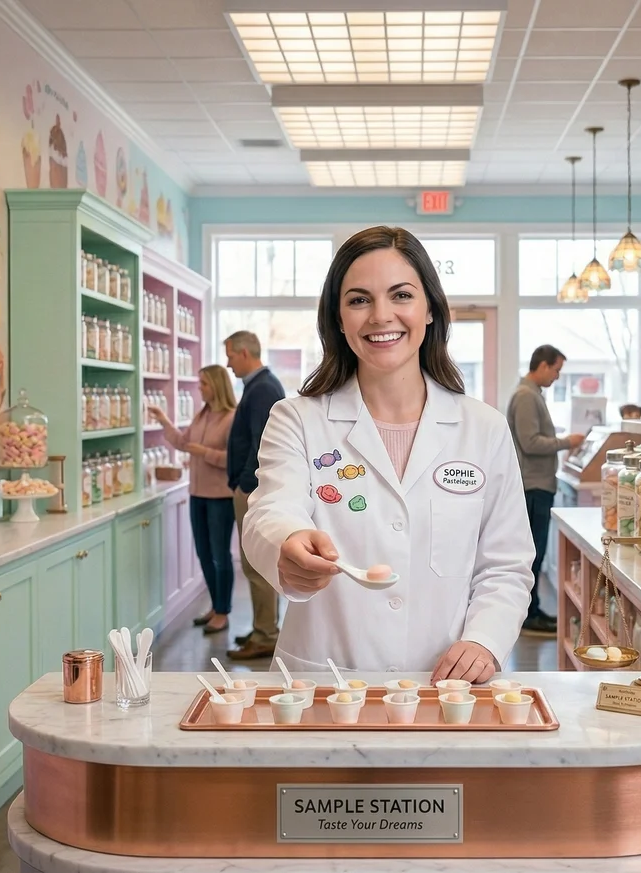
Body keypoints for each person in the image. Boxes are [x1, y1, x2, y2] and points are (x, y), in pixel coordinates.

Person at [243, 226, 533, 682]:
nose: (381, 316)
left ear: (431, 310)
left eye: (401, 295)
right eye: (359, 300)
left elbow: (506, 564)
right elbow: (271, 510)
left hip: (446, 687)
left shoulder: (484, 429)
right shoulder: (297, 419)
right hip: (323, 683)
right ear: (338, 319)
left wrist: (485, 640)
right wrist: (288, 546)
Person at [148, 365, 237, 634]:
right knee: (204, 554)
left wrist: (204, 452)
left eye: (204, 384)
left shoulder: (232, 418)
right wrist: (164, 421)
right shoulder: (202, 415)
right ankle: (215, 605)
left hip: (220, 496)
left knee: (221, 556)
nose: (199, 388)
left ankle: (223, 612)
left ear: (217, 386)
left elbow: (233, 460)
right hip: (197, 495)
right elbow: (184, 443)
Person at [505, 345, 585, 637]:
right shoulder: (526, 396)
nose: (556, 377)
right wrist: (567, 441)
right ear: (542, 365)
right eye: (556, 370)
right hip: (533, 485)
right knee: (533, 553)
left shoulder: (530, 394)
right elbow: (531, 443)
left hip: (537, 484)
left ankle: (532, 609)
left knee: (535, 551)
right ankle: (529, 614)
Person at [223, 330, 287, 660]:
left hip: (252, 489)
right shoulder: (260, 386)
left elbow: (263, 440)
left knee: (256, 565)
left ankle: (266, 634)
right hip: (250, 487)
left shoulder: (262, 388)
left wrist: (246, 484)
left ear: (245, 353)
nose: (228, 363)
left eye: (230, 355)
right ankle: (263, 627)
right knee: (253, 565)